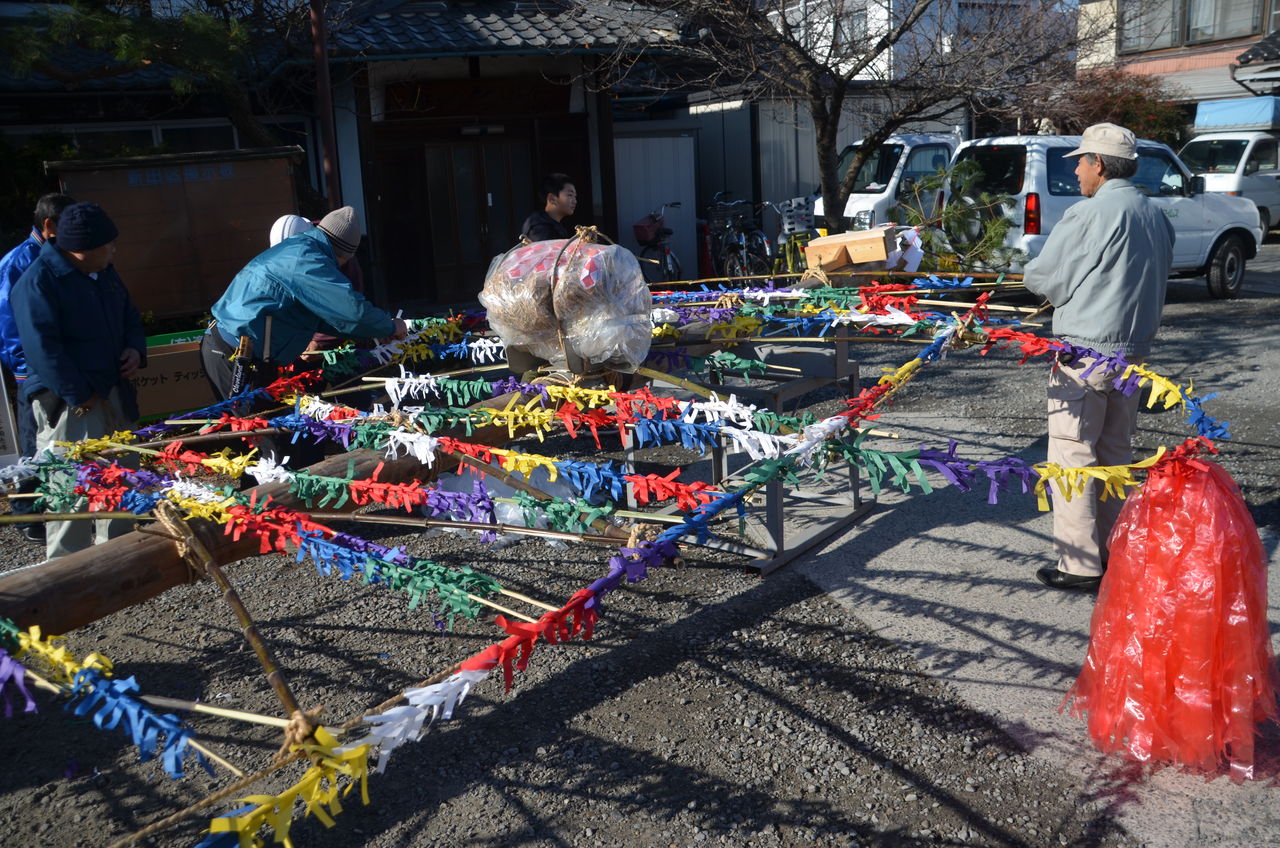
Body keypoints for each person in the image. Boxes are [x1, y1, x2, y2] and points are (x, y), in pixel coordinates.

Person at [1022, 123, 1175, 591]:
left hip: (1085, 351)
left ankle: (1080, 563)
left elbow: (1047, 279)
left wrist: (1028, 272)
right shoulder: (1155, 215)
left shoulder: (1089, 214)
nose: (1078, 173)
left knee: (1072, 455)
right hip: (1133, 354)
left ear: (1100, 165)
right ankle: (1115, 552)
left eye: (1082, 163)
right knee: (1115, 454)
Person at [10, 201, 147, 560]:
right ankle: (66, 566)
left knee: (120, 474)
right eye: (107, 246)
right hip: (68, 401)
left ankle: (118, 556)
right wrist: (78, 392)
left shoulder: (105, 273)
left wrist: (135, 349)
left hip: (113, 388)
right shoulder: (38, 281)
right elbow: (42, 349)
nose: (113, 251)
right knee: (69, 484)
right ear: (80, 249)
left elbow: (130, 317)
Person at [201, 205, 407, 407]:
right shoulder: (309, 260)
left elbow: (327, 317)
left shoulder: (300, 248)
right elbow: (353, 312)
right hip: (236, 353)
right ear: (342, 254)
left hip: (239, 349)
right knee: (257, 425)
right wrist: (391, 326)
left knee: (269, 423)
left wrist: (375, 331)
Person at [0, 193, 75, 543]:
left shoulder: (65, 256)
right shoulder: (18, 261)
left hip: (63, 366)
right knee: (33, 443)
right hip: (33, 370)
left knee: (59, 441)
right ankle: (26, 515)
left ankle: (60, 506)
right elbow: (8, 324)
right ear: (50, 225)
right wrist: (25, 369)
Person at [521, 174, 577, 242]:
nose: (575, 201)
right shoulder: (539, 228)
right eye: (570, 195)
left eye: (575, 196)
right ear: (552, 199)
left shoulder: (553, 224)